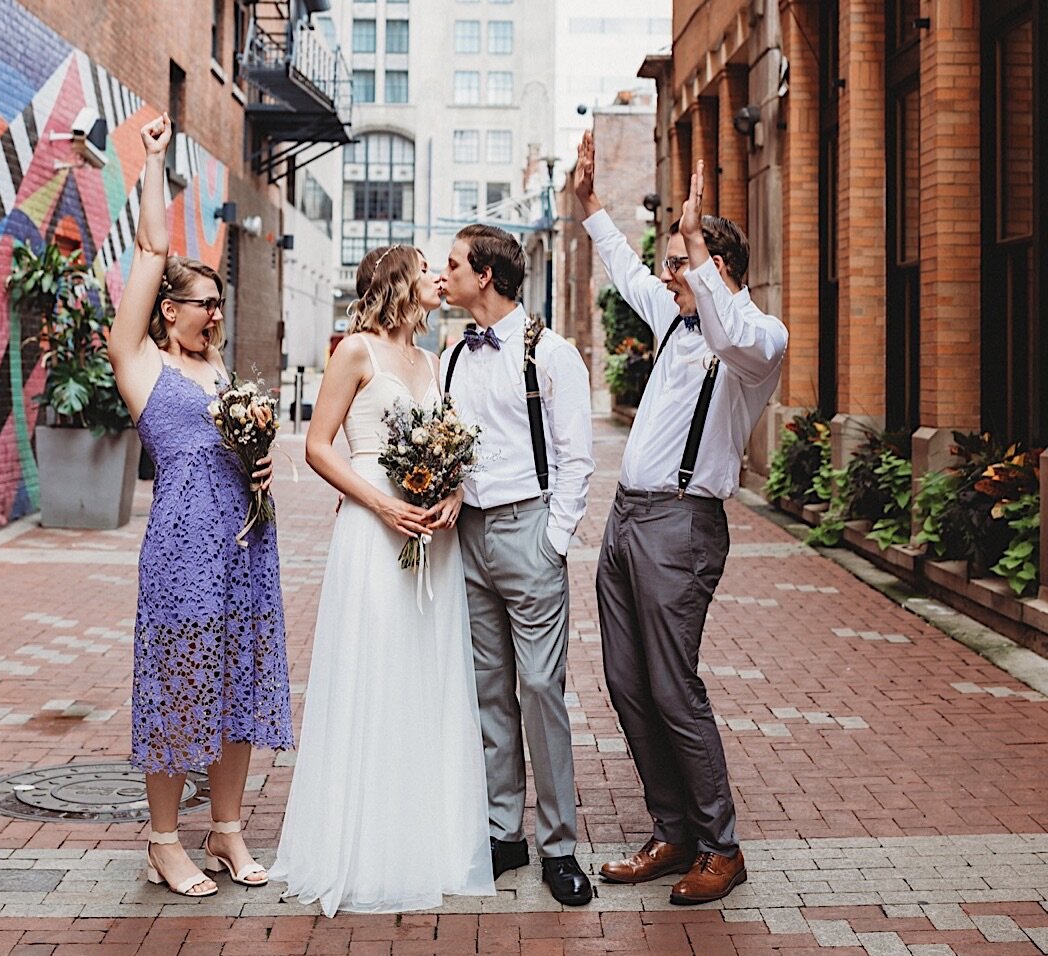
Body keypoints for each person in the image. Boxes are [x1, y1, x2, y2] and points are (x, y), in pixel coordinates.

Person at [574, 132, 787, 905]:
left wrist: (694, 242)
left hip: (683, 528)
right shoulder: (674, 321)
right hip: (627, 522)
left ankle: (719, 846)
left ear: (716, 266)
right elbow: (626, 270)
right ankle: (673, 831)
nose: (665, 276)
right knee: (627, 682)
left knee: (673, 687)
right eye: (670, 262)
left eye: (682, 262)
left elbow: (730, 330)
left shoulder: (757, 337)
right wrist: (590, 205)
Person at [269, 244, 493, 916]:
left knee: (427, 675)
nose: (436, 278)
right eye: (425, 268)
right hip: (374, 531)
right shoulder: (356, 351)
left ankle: (426, 842)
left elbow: (448, 443)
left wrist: (452, 493)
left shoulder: (432, 359)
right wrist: (381, 502)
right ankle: (360, 846)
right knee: (375, 669)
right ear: (396, 281)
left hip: (432, 535)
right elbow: (316, 445)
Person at [108, 113, 292, 899]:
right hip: (183, 549)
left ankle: (225, 829)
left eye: (219, 303)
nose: (213, 313)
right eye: (200, 303)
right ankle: (162, 840)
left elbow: (247, 451)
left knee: (241, 683)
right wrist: (156, 165)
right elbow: (151, 250)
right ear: (165, 310)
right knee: (179, 684)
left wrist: (261, 471)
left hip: (247, 543)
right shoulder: (140, 363)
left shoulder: (224, 376)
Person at [437, 225, 596, 907]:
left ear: (487, 276)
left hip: (529, 530)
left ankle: (559, 844)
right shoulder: (451, 357)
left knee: (539, 688)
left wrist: (552, 543)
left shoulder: (552, 354)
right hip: (467, 535)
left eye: (452, 265)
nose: (442, 276)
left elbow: (577, 460)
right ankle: (506, 832)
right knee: (488, 690)